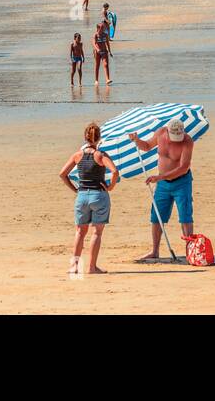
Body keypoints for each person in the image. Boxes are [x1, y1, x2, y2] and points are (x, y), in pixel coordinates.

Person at [130, 118, 195, 261]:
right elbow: (146, 146)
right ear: (168, 131)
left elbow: (184, 168)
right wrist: (136, 140)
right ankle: (155, 251)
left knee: (185, 216)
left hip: (182, 182)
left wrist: (159, 177)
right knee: (156, 216)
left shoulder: (187, 141)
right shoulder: (160, 133)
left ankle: (190, 253)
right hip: (163, 184)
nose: (177, 140)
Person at [59, 122, 119, 275]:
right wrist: (111, 187)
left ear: (85, 138)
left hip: (82, 195)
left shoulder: (77, 155)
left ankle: (75, 266)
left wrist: (74, 189)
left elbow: (62, 174)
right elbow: (114, 171)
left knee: (80, 232)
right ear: (99, 139)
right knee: (96, 233)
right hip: (98, 195)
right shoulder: (101, 155)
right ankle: (92, 267)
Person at [92, 19, 112, 86]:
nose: (103, 29)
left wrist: (110, 51)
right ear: (98, 29)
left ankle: (107, 79)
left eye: (103, 28)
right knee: (97, 65)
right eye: (101, 28)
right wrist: (97, 49)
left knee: (106, 64)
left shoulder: (105, 35)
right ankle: (96, 80)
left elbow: (107, 43)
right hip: (97, 52)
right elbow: (94, 44)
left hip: (104, 51)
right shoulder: (95, 35)